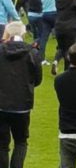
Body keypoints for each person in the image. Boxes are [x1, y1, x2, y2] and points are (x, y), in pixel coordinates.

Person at [0, 22, 42, 168]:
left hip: (2, 103)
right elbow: (38, 79)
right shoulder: (32, 52)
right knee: (21, 141)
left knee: (2, 143)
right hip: (22, 103)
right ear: (23, 34)